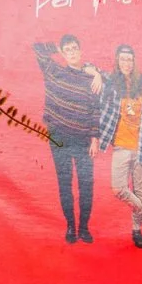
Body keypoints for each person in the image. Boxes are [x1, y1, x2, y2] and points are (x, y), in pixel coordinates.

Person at [32, 35, 105, 243]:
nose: (72, 52)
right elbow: (37, 47)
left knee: (86, 185)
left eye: (75, 48)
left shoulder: (91, 78)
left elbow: (95, 111)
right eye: (68, 50)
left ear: (81, 51)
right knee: (65, 183)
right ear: (63, 54)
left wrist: (94, 138)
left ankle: (83, 228)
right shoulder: (54, 71)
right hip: (59, 138)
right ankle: (71, 227)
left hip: (83, 139)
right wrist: (57, 45)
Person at [96, 43, 142, 248]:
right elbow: (88, 66)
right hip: (121, 146)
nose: (126, 63)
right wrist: (96, 74)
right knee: (119, 189)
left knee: (139, 190)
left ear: (134, 62)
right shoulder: (111, 82)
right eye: (123, 59)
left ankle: (137, 231)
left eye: (130, 59)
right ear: (117, 61)